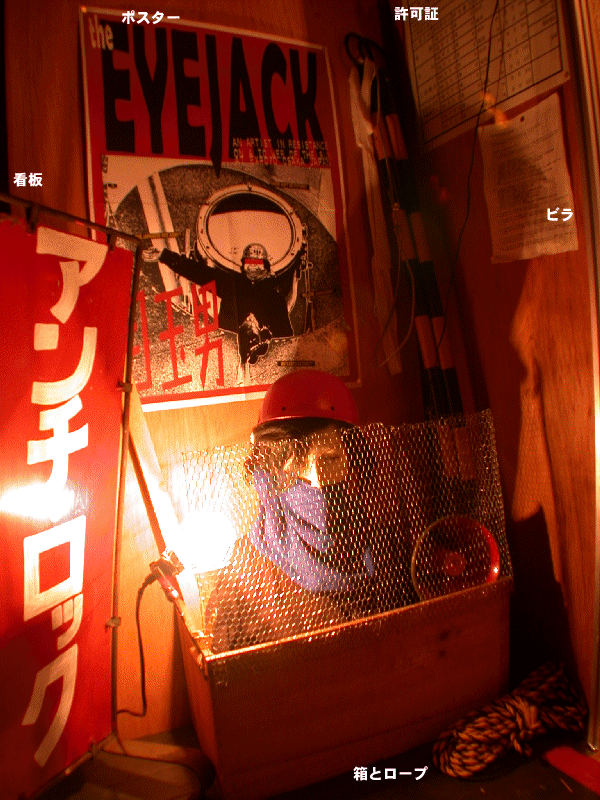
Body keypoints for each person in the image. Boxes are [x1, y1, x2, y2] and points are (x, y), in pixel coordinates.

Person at [205, 370, 410, 653]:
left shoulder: (384, 545)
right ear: (272, 468)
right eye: (298, 462)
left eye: (331, 459)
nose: (319, 479)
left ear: (352, 460)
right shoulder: (246, 569)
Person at [144, 241, 293, 367]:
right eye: (249, 263)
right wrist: (165, 256)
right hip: (228, 356)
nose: (252, 267)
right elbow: (198, 272)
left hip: (264, 361)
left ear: (266, 266)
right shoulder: (232, 283)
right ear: (243, 265)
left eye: (257, 263)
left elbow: (285, 340)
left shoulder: (276, 300)